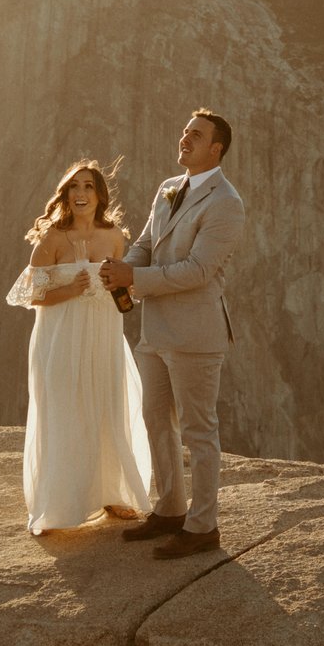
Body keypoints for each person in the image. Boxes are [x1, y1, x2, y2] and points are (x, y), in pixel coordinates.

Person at [100, 109, 247, 560]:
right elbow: (146, 244)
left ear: (215, 149)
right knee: (155, 420)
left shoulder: (226, 203)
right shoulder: (167, 189)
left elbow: (199, 270)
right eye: (185, 132)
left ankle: (203, 527)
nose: (185, 139)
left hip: (196, 335)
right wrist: (120, 266)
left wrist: (134, 279)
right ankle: (169, 509)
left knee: (200, 432)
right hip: (156, 330)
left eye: (196, 135)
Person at [5, 159, 151, 534]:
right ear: (65, 195)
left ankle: (113, 494)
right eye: (74, 187)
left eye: (88, 187)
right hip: (60, 340)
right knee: (66, 412)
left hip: (103, 336)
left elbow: (122, 285)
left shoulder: (115, 236)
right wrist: (69, 290)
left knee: (108, 407)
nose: (81, 193)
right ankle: (59, 506)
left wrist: (121, 288)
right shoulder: (51, 239)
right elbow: (28, 294)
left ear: (100, 195)